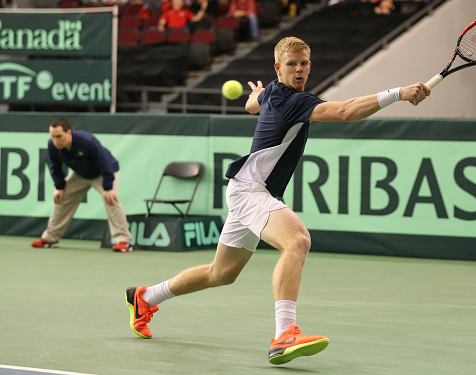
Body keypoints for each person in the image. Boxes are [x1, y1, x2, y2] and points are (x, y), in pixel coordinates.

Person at [125, 36, 429, 365]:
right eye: (291, 65)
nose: (299, 70)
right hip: (251, 189)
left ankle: (145, 297)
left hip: (248, 190)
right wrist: (398, 93)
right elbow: (344, 111)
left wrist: (257, 94)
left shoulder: (273, 91)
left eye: (304, 63)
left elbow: (251, 105)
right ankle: (285, 334)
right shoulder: (294, 102)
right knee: (297, 240)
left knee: (221, 273)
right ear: (278, 68)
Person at [31, 118, 133, 253]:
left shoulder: (87, 141)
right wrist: (59, 187)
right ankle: (49, 239)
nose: (56, 141)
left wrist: (108, 187)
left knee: (111, 200)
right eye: (53, 137)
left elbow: (105, 163)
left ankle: (123, 241)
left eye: (59, 136)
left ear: (69, 133)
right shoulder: (52, 146)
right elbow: (55, 167)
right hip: (80, 175)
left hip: (104, 173)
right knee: (61, 199)